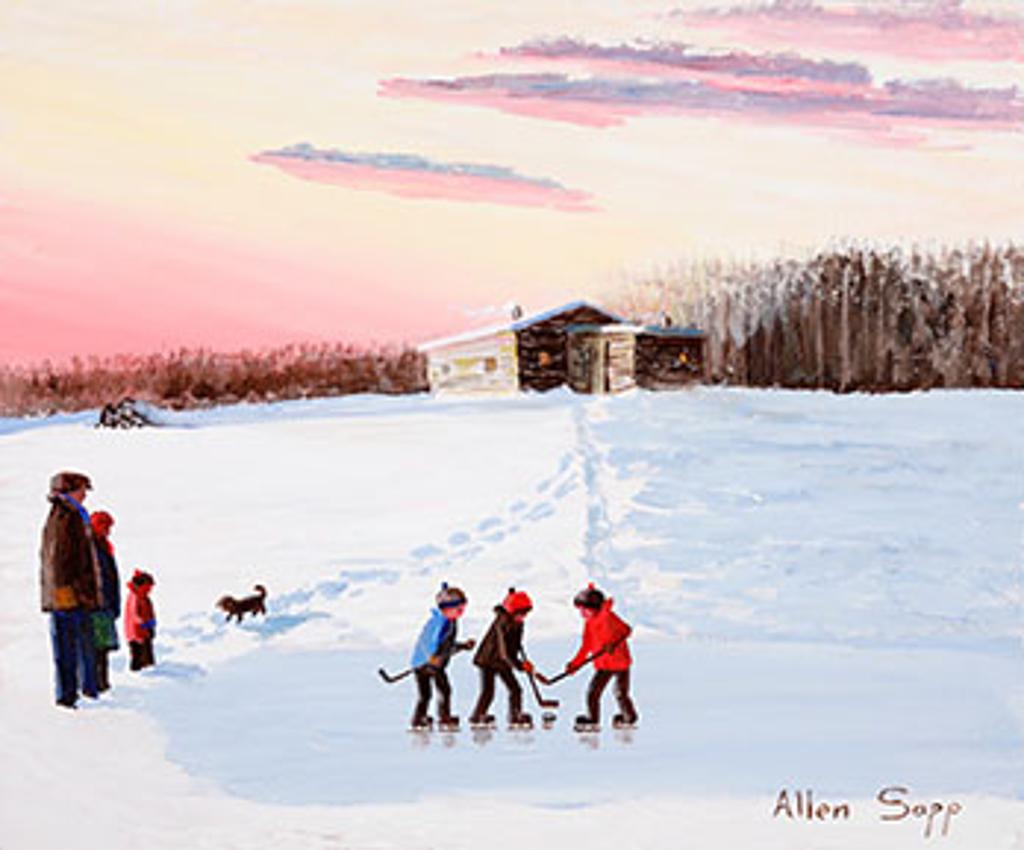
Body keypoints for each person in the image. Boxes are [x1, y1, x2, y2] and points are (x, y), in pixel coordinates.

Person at [40, 471, 103, 708]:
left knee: (76, 645)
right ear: (68, 492)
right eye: (82, 489)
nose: (85, 494)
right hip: (68, 597)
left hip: (72, 595)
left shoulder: (70, 514)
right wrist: (72, 591)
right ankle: (67, 696)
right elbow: (59, 561)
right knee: (67, 647)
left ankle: (77, 691)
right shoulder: (65, 517)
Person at [564, 583, 639, 729]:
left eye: (585, 609)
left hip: (619, 662)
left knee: (620, 693)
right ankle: (595, 720)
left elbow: (627, 630)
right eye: (580, 609)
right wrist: (575, 664)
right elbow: (586, 646)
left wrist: (613, 644)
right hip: (604, 665)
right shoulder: (589, 624)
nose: (582, 613)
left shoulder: (608, 618)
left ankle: (628, 718)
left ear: (595, 608)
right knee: (594, 692)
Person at [409, 583, 473, 729]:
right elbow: (427, 641)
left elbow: (447, 647)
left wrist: (462, 646)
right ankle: (443, 718)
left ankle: (420, 719)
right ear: (447, 608)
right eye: (459, 609)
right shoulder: (440, 623)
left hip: (426, 663)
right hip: (428, 664)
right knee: (443, 690)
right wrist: (431, 656)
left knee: (427, 694)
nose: (461, 612)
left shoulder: (449, 622)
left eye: (463, 609)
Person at [469, 587, 535, 728]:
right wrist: (519, 665)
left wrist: (522, 662)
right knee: (488, 691)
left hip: (502, 661)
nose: (523, 616)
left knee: (516, 689)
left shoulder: (518, 623)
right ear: (511, 611)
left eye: (525, 613)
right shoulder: (502, 622)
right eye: (520, 613)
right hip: (489, 660)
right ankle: (478, 716)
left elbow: (515, 645)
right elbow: (504, 651)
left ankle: (515, 715)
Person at [89, 511, 121, 692]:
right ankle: (98, 683)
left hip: (105, 606)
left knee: (103, 648)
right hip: (97, 606)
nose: (108, 531)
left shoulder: (104, 546)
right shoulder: (90, 548)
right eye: (105, 527)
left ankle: (102, 682)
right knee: (97, 648)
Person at [124, 570, 157, 671]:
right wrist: (146, 624)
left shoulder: (144, 597)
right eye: (148, 587)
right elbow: (135, 615)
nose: (150, 590)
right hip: (137, 633)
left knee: (147, 654)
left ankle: (148, 671)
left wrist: (152, 623)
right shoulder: (135, 597)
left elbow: (150, 611)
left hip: (145, 631)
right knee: (138, 655)